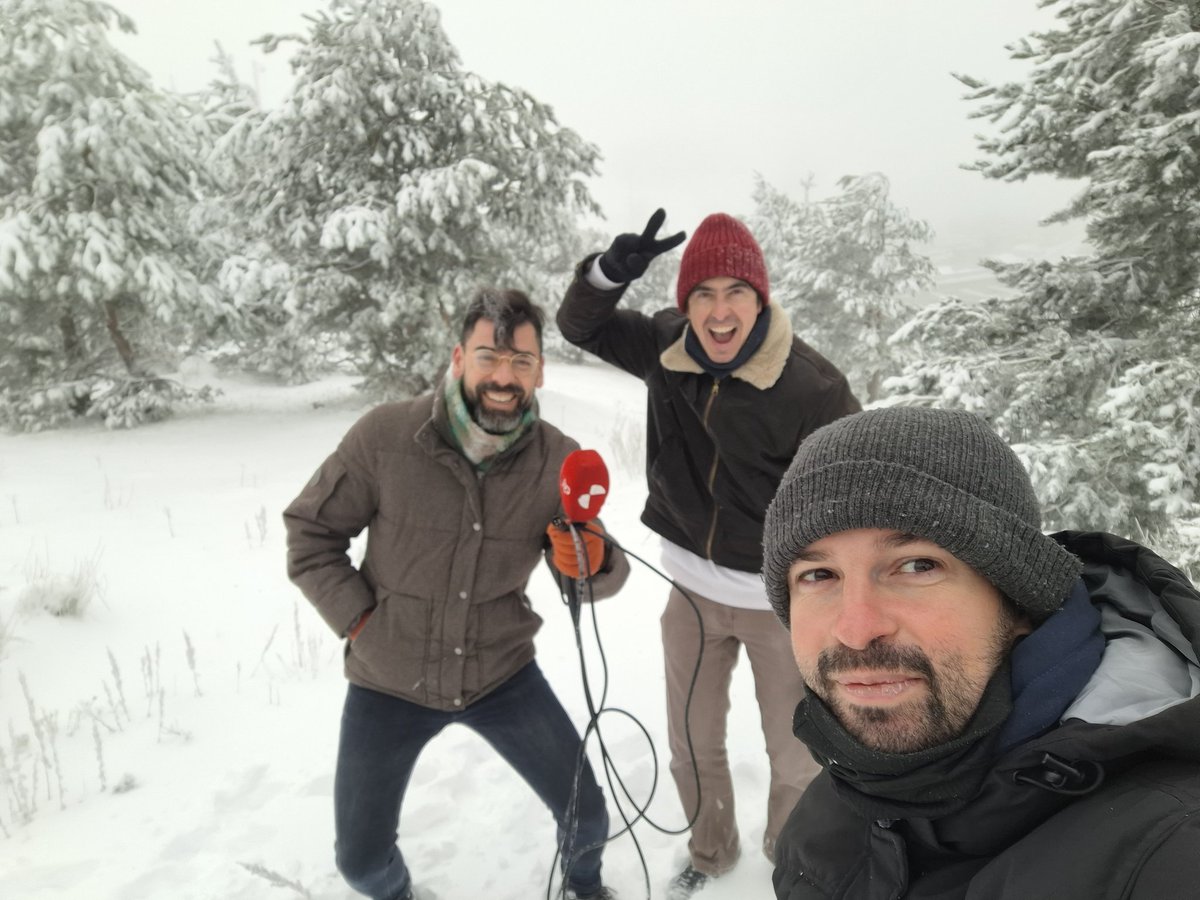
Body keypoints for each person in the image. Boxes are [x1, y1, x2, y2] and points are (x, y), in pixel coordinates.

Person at [761, 406, 1200, 899]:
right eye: (818, 575)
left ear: (1019, 601)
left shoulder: (1170, 848)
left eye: (917, 565)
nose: (857, 630)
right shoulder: (839, 795)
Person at [283, 288, 629, 900]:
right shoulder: (386, 436)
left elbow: (588, 565)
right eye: (489, 356)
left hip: (502, 672)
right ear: (458, 358)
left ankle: (585, 888)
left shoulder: (558, 459)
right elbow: (311, 533)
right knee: (361, 866)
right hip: (388, 679)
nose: (504, 377)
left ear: (540, 370)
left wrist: (593, 562)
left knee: (590, 818)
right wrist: (363, 623)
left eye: (521, 361)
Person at [557, 210, 861, 897]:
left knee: (796, 755)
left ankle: (789, 854)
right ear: (685, 303)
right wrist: (606, 275)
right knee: (692, 744)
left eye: (735, 293)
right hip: (691, 596)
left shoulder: (811, 386)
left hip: (780, 606)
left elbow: (855, 488)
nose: (720, 312)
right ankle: (710, 850)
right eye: (703, 294)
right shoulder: (665, 349)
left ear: (760, 299)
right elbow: (580, 326)